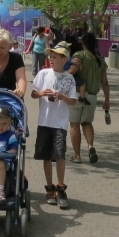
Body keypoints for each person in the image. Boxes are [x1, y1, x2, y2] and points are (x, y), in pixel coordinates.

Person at [31, 45, 77, 208]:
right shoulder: (43, 74)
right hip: (44, 121)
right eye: (50, 57)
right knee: (45, 156)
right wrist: (43, 93)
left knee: (59, 155)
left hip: (60, 123)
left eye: (55, 57)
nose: (51, 59)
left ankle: (61, 187)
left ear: (64, 60)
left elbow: (73, 101)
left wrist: (62, 97)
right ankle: (50, 188)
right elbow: (33, 93)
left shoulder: (69, 78)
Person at [68, 33, 111, 163]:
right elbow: (105, 82)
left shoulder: (79, 55)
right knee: (87, 123)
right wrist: (107, 100)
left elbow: (71, 72)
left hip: (76, 94)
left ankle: (77, 155)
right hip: (92, 97)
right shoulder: (100, 60)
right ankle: (90, 146)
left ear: (83, 43)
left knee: (74, 124)